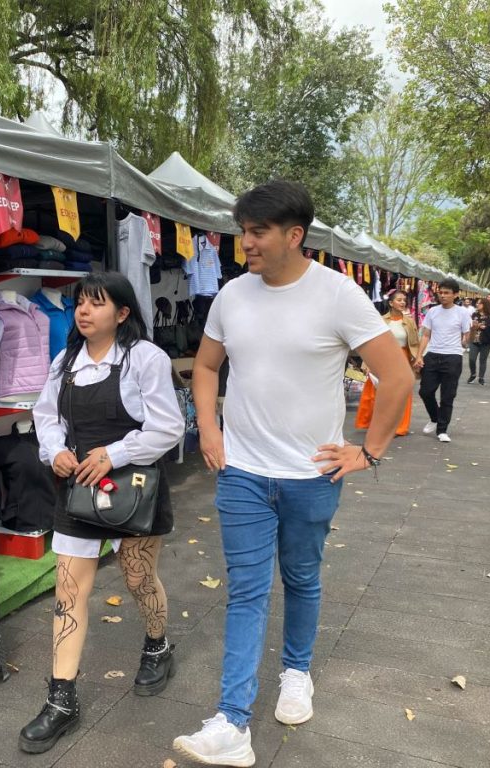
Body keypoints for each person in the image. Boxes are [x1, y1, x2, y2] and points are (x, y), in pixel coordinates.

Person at [172, 180, 413, 767]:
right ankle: (231, 722)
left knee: (302, 578)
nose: (245, 243)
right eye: (243, 232)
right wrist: (208, 427)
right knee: (247, 592)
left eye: (257, 233)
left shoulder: (338, 296)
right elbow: (206, 365)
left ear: (294, 235)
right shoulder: (232, 295)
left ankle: (297, 672)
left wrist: (368, 452)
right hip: (243, 474)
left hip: (312, 477)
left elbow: (397, 376)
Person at [20, 272, 184, 754]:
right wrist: (56, 453)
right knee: (68, 592)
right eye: (79, 304)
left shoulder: (144, 359)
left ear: (123, 313)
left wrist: (113, 453)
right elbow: (45, 416)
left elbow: (168, 426)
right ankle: (61, 699)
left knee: (138, 578)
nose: (83, 312)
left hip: (132, 486)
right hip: (78, 489)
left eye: (96, 304)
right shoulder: (64, 361)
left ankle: (157, 644)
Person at [355, 289, 419, 436]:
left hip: (403, 358)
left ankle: (400, 427)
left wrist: (417, 359)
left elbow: (414, 343)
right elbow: (372, 343)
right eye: (399, 300)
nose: (402, 302)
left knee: (401, 393)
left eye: (404, 300)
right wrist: (367, 363)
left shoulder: (409, 322)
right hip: (383, 357)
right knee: (374, 391)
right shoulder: (381, 321)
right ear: (391, 303)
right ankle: (374, 424)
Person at [415, 278, 472, 443]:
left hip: (453, 356)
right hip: (432, 354)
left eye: (447, 293)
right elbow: (426, 335)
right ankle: (435, 417)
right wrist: (419, 355)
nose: (443, 295)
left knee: (448, 396)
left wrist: (468, 337)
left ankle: (442, 430)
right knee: (425, 391)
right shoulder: (433, 311)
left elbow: (465, 338)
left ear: (455, 294)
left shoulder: (462, 313)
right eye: (441, 292)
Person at [467, 297, 490, 385]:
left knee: (483, 360)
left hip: (486, 341)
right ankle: (473, 374)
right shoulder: (474, 314)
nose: (477, 304)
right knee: (471, 359)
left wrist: (485, 327)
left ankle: (481, 377)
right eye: (477, 303)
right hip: (474, 340)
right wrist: (475, 327)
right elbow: (470, 325)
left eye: (479, 303)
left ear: (484, 305)